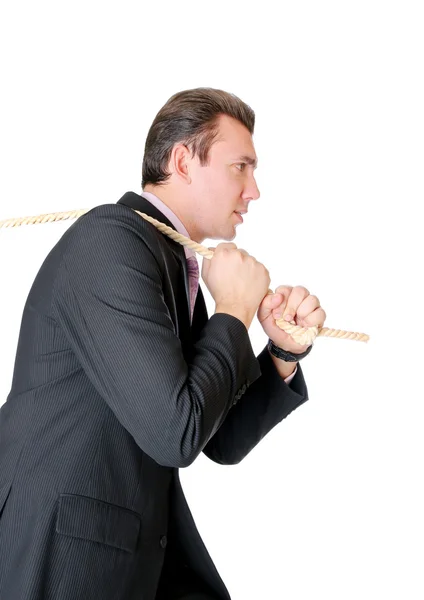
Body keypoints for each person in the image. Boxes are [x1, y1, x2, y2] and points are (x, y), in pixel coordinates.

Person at [0, 87, 326, 600]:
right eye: (240, 166)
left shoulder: (174, 264)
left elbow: (216, 439)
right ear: (182, 161)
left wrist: (281, 354)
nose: (254, 190)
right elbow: (176, 430)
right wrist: (235, 311)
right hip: (62, 552)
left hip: (128, 554)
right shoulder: (112, 238)